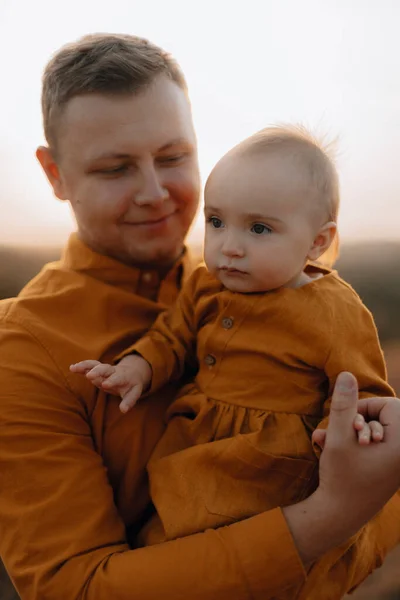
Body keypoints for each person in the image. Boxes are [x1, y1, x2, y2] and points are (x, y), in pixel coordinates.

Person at [0, 33, 399, 600]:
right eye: (115, 168)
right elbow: (74, 588)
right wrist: (330, 519)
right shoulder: (21, 347)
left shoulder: (256, 283)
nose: (156, 193)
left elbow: (378, 482)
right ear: (54, 174)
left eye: (173, 157)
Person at [71, 125, 392, 550]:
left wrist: (344, 429)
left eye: (258, 229)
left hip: (269, 471)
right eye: (216, 222)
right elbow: (172, 336)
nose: (229, 246)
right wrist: (138, 367)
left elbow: (361, 387)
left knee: (248, 556)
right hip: (191, 450)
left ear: (317, 241)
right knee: (166, 541)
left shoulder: (335, 310)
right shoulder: (205, 286)